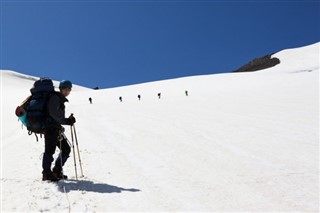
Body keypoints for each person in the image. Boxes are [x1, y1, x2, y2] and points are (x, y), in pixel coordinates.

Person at [42, 80, 76, 181]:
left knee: (66, 149)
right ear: (60, 89)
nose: (67, 91)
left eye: (69, 89)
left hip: (56, 129)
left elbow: (58, 117)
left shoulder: (60, 100)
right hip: (50, 129)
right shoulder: (55, 98)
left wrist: (68, 121)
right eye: (65, 89)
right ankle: (46, 173)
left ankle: (57, 170)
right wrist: (67, 121)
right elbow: (55, 115)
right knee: (49, 151)